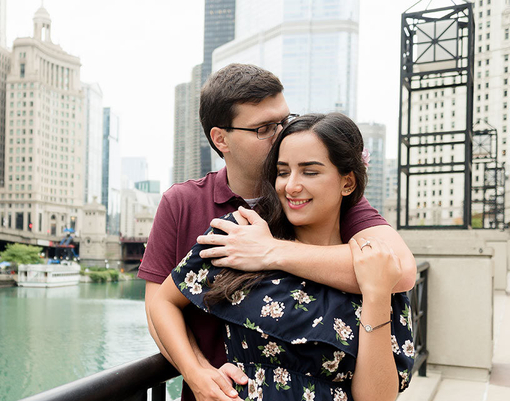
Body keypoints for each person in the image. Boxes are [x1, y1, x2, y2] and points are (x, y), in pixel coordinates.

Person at [138, 64, 417, 401]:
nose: (282, 133)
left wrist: (269, 251)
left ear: (346, 183)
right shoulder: (207, 215)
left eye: (285, 120)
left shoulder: (334, 203)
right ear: (220, 138)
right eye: (266, 128)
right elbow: (159, 303)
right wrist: (199, 374)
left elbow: (396, 268)